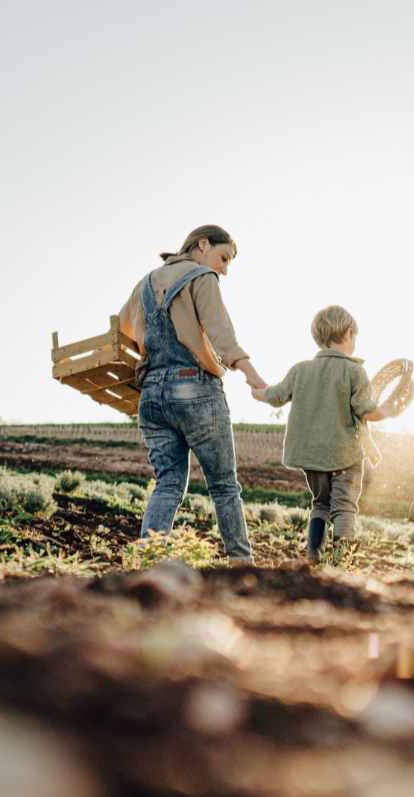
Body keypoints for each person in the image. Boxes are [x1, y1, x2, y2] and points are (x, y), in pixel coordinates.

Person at [117, 224, 265, 564]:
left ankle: (149, 561)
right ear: (201, 245)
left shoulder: (146, 283)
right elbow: (221, 334)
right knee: (224, 486)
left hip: (152, 394)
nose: (224, 269)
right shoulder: (201, 277)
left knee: (168, 483)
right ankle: (242, 565)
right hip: (194, 388)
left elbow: (122, 329)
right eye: (223, 257)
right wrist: (253, 377)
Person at [251, 305, 395, 562]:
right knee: (344, 507)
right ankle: (341, 562)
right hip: (345, 455)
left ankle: (313, 556)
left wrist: (259, 392)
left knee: (320, 503)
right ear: (350, 333)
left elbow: (275, 396)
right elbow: (366, 410)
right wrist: (389, 410)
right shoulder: (354, 371)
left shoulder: (300, 370)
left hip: (312, 457)